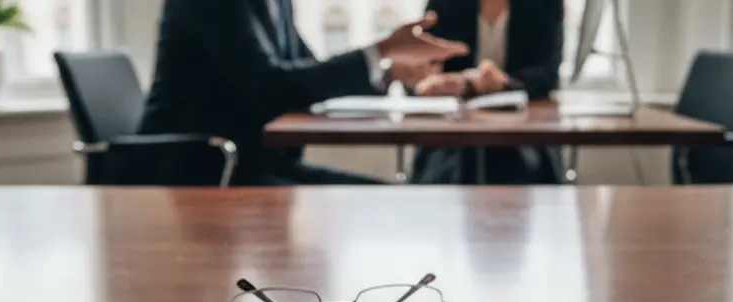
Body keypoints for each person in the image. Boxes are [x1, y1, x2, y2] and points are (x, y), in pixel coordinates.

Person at [139, 0, 468, 186]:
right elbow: (271, 88)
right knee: (391, 203)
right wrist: (380, 50)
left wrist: (387, 69)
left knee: (400, 199)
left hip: (257, 162)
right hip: (201, 168)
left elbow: (305, 73)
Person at [410, 0, 566, 185]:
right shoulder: (445, 4)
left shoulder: (545, 4)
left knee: (511, 165)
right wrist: (457, 82)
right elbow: (425, 69)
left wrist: (504, 82)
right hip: (452, 132)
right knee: (454, 167)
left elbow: (547, 73)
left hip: (523, 130)